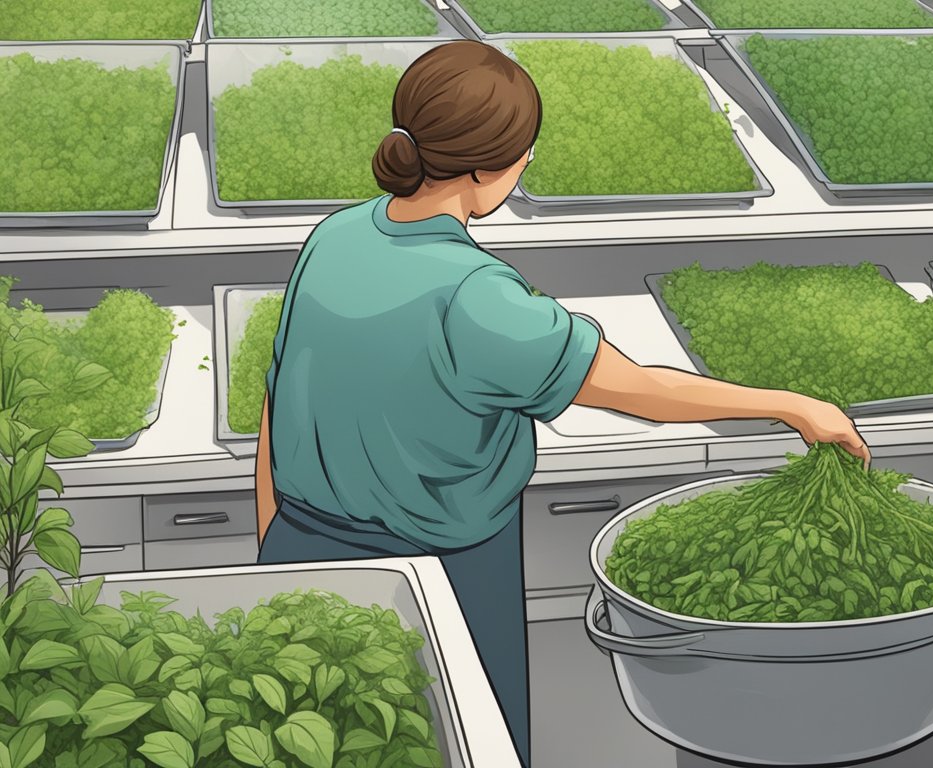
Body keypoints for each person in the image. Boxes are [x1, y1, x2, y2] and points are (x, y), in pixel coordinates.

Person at [254, 40, 870, 767]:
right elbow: (639, 389)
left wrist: (273, 547)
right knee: (458, 746)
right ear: (491, 169)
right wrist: (794, 407)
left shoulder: (335, 235)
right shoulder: (477, 296)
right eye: (524, 160)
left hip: (301, 546)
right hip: (437, 578)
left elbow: (276, 402)